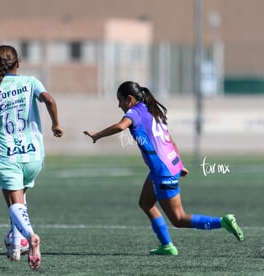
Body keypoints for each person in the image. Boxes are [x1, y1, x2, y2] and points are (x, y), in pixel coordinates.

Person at [83, 81, 244, 255]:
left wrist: (97, 135)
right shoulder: (152, 111)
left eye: (120, 100)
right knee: (145, 203)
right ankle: (167, 245)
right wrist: (179, 164)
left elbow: (121, 126)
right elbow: (170, 141)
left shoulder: (134, 112)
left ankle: (223, 221)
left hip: (162, 172)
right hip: (168, 166)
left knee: (179, 219)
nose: (119, 105)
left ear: (130, 99)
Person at [0, 45, 63, 269]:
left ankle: (30, 237)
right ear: (18, 62)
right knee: (20, 203)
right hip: (33, 156)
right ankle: (15, 245)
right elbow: (50, 101)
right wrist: (56, 125)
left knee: (14, 204)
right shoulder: (30, 82)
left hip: (7, 156)